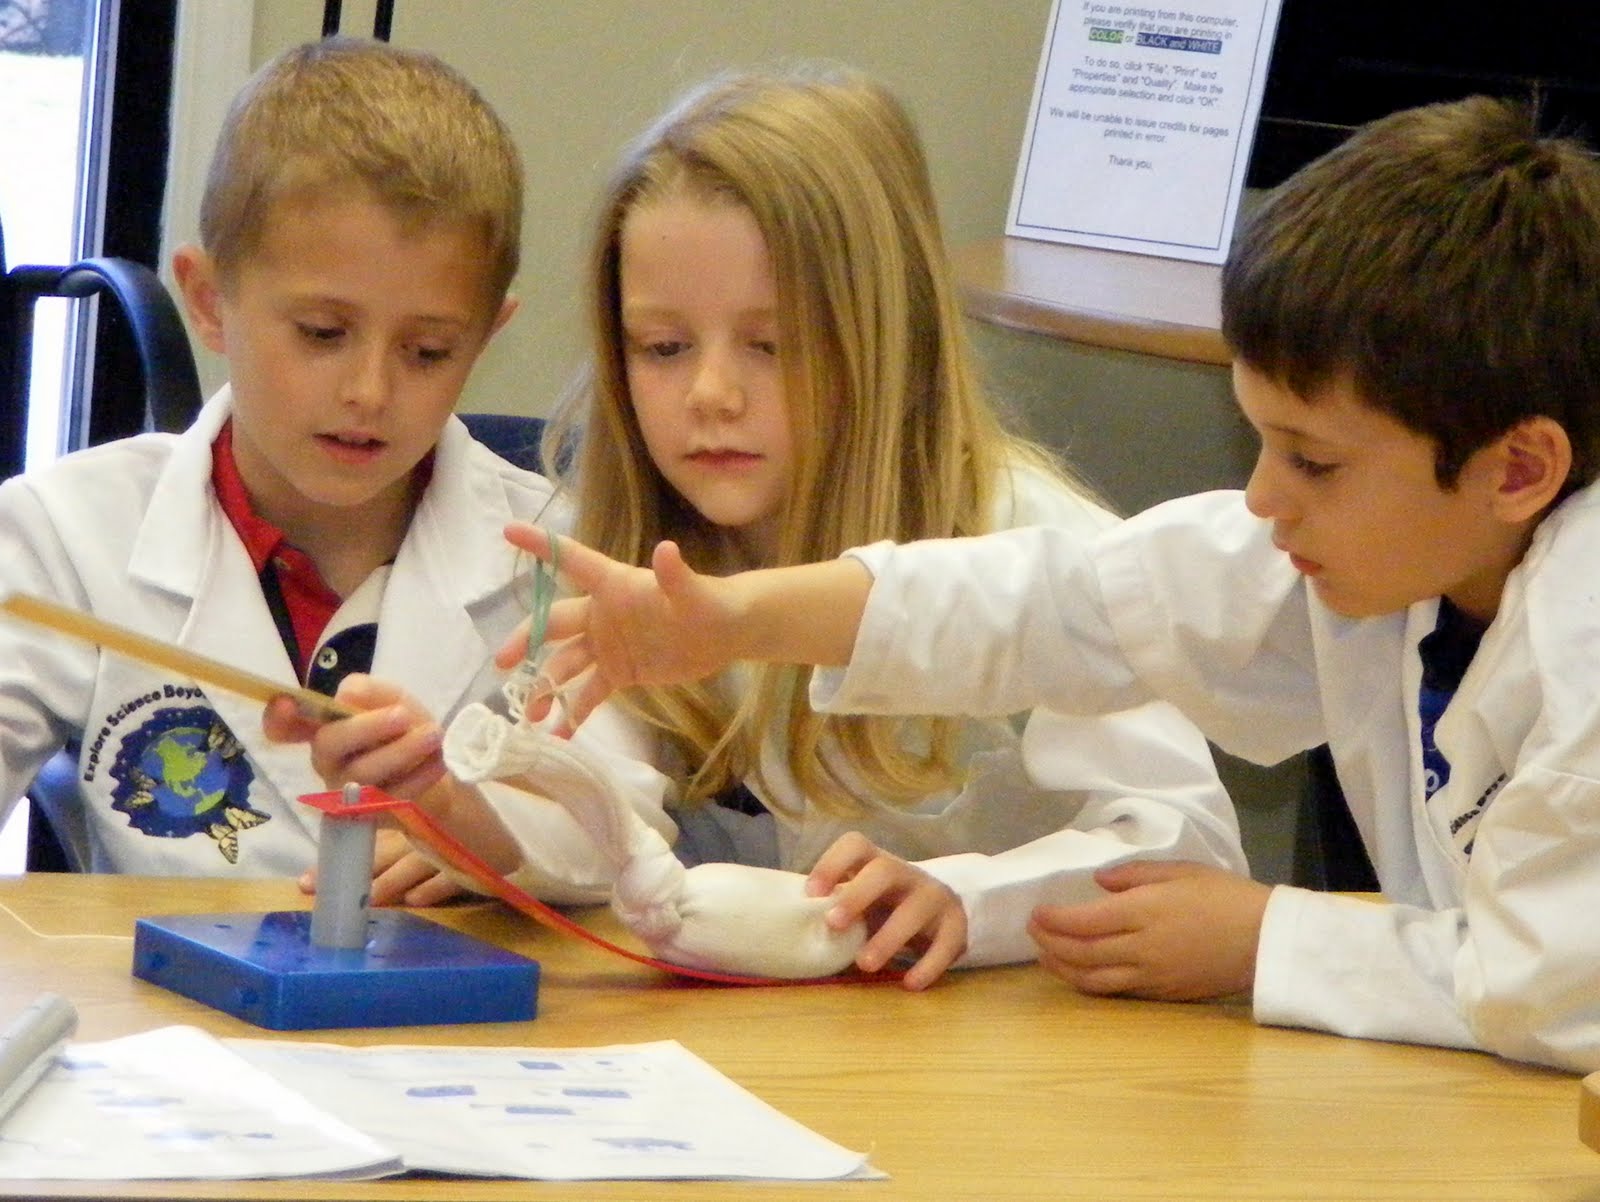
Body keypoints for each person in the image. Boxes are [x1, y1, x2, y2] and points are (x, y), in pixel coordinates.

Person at [514, 95, 1600, 1069]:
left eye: (1310, 460)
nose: (1262, 498)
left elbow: (1552, 991)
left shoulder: (1581, 637)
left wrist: (1267, 931)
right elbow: (1058, 601)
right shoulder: (1383, 552)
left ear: (1516, 469)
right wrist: (742, 619)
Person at [294, 64, 1245, 989]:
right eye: (662, 348)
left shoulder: (1022, 539)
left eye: (772, 345)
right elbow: (602, 829)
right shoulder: (623, 543)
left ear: (884, 339)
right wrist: (454, 808)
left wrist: (969, 898)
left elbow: (1185, 838)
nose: (710, 394)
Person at [0, 36, 555, 902]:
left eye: (429, 349)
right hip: (164, 1028)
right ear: (209, 300)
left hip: (468, 1031)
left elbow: (630, 846)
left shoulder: (556, 558)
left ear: (487, 336)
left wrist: (494, 846)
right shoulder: (63, 535)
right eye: (323, 334)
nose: (369, 391)